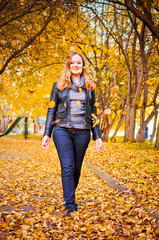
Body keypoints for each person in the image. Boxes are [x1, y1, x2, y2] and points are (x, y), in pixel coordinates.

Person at [42, 52, 102, 218]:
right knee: (67, 167)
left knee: (76, 169)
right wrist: (47, 133)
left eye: (79, 62)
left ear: (83, 65)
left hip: (83, 132)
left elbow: (93, 112)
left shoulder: (90, 88)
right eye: (73, 62)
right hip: (62, 130)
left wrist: (97, 136)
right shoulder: (59, 85)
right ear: (68, 65)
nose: (76, 65)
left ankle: (68, 196)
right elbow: (51, 109)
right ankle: (71, 205)